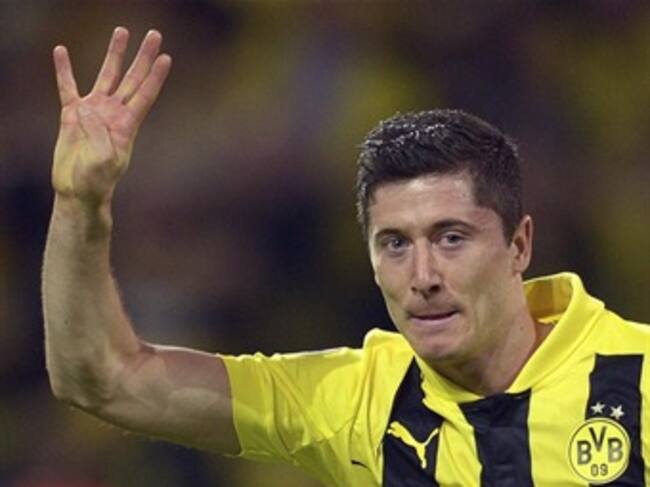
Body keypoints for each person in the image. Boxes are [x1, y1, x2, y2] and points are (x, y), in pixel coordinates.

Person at [43, 28, 650, 487]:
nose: (423, 277)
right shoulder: (355, 400)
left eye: (451, 238)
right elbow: (102, 378)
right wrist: (79, 202)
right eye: (395, 244)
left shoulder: (637, 376)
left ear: (519, 245)